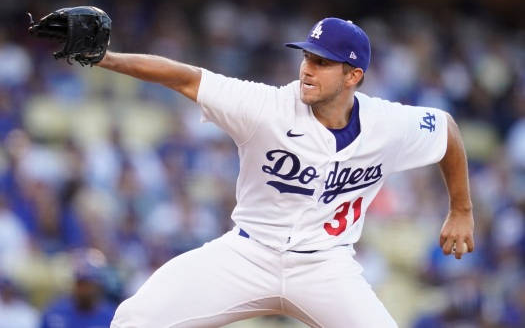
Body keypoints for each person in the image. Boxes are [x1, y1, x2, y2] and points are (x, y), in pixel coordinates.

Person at [89, 17, 473, 327]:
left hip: (326, 266)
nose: (307, 69)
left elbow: (447, 130)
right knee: (136, 319)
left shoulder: (387, 124)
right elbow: (185, 77)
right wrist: (105, 58)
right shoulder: (266, 108)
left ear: (353, 76)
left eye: (322, 62)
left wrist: (461, 209)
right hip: (248, 253)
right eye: (307, 57)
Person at [40, 249, 116, 328]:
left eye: (88, 284)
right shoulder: (55, 314)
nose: (84, 290)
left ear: (98, 285)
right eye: (80, 284)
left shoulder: (111, 316)